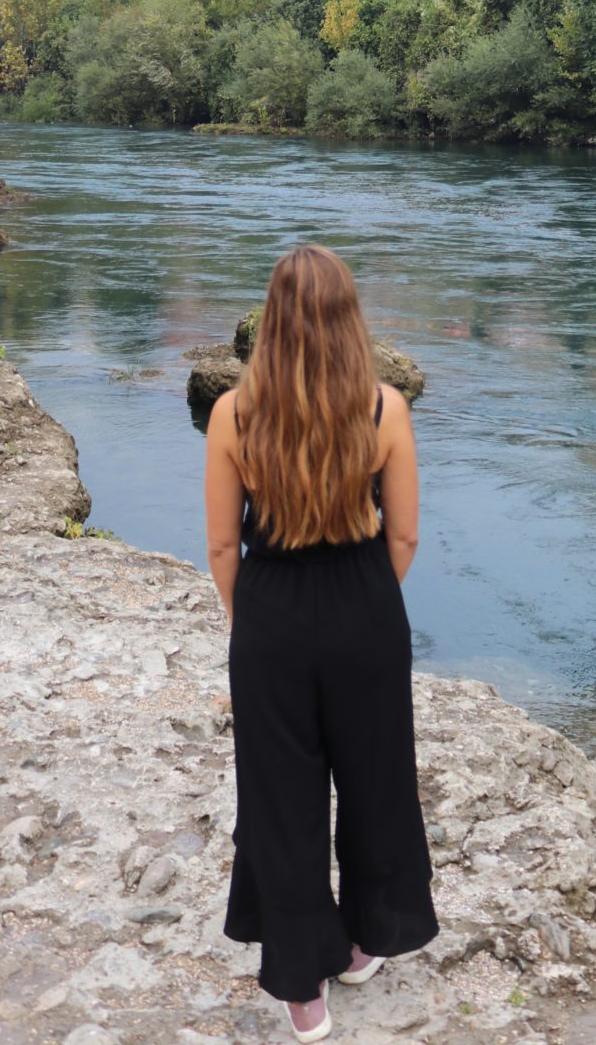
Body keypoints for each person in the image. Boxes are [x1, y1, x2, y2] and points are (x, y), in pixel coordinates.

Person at [204, 245, 438, 1043]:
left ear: (270, 319)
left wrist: (255, 622)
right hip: (364, 609)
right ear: (350, 320)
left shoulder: (234, 412)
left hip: (270, 612)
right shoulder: (384, 410)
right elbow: (402, 535)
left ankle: (303, 991)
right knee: (377, 782)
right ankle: (367, 941)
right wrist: (363, 605)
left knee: (281, 802)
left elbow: (222, 549)